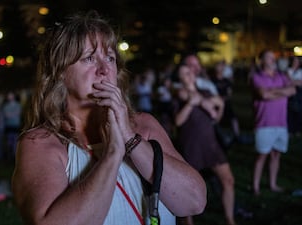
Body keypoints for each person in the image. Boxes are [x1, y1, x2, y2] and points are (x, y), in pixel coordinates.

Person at [11, 11, 206, 225]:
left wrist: (131, 139)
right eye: (89, 58)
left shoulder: (145, 125)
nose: (104, 69)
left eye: (110, 58)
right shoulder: (40, 143)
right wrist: (113, 154)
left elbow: (194, 202)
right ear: (60, 72)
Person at [172, 64, 236, 225]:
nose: (189, 75)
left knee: (228, 180)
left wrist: (218, 108)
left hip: (210, 144)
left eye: (190, 72)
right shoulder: (179, 94)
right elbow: (178, 121)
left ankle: (230, 219)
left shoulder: (206, 92)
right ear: (179, 78)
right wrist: (192, 104)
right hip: (191, 146)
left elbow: (215, 118)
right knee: (187, 187)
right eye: (184, 73)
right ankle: (188, 222)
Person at [251, 49, 296, 196]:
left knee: (276, 155)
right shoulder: (256, 77)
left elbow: (293, 91)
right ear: (262, 61)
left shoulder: (281, 76)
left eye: (273, 57)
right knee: (261, 156)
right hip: (264, 124)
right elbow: (263, 95)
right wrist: (282, 91)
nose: (273, 60)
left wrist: (273, 92)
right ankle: (255, 186)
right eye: (269, 58)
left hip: (281, 124)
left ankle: (273, 184)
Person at [2, 91, 22, 160]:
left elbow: (18, 113)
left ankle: (14, 157)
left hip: (16, 125)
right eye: (8, 95)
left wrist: (11, 114)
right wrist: (13, 114)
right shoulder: (5, 106)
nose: (9, 97)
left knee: (15, 142)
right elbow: (6, 115)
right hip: (8, 126)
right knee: (9, 142)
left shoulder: (18, 105)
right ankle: (9, 156)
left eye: (11, 95)